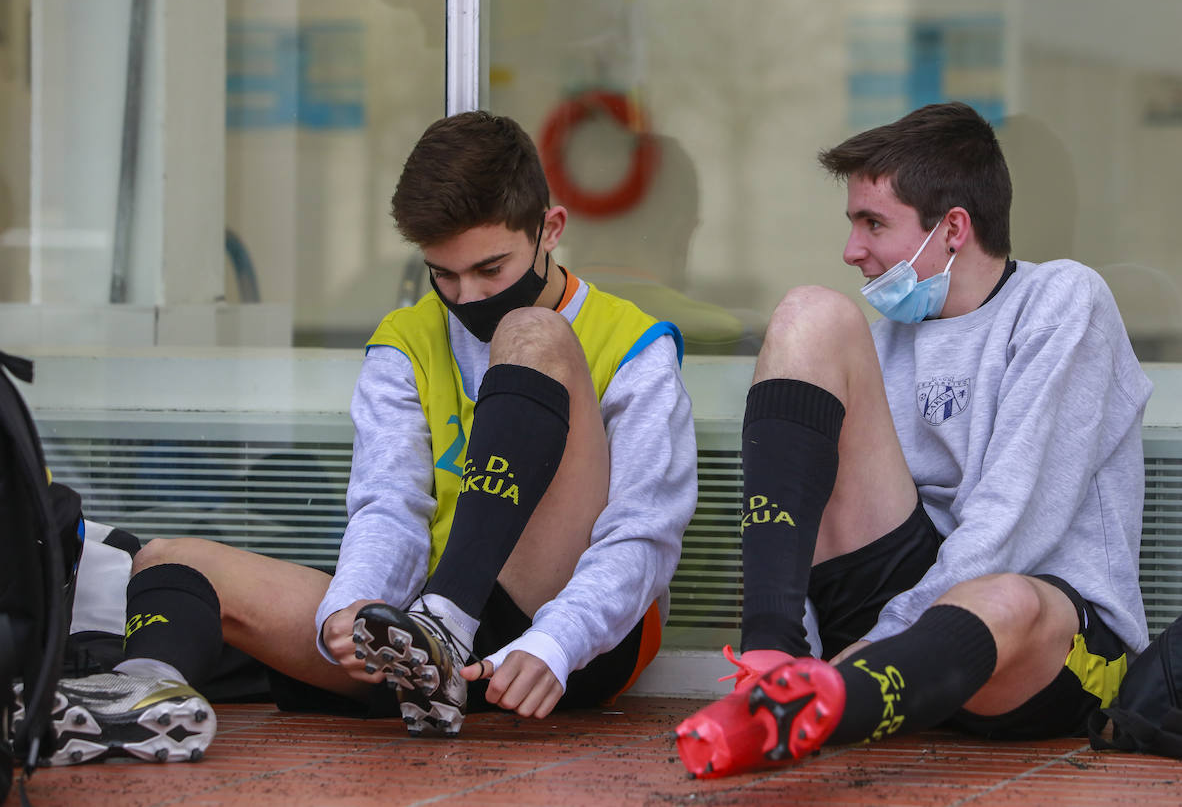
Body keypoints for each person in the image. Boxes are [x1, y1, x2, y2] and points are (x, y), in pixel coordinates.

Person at [44, 110, 697, 762]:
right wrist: (351, 606)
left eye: (490, 269)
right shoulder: (404, 339)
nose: (467, 297)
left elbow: (644, 533)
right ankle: (141, 699)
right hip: (420, 637)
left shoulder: (633, 342)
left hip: (567, 636)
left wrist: (559, 640)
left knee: (534, 333)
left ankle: (449, 622)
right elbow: (390, 506)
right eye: (444, 274)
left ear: (549, 229)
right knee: (167, 562)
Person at [675, 101, 1152, 778]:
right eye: (852, 223)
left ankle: (837, 697)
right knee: (809, 313)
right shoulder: (881, 342)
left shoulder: (1064, 301)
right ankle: (777, 671)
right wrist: (810, 643)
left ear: (953, 228)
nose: (852, 250)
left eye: (874, 223)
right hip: (889, 634)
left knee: (1005, 593)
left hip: (1033, 651)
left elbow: (1012, 526)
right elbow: (809, 511)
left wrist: (880, 643)